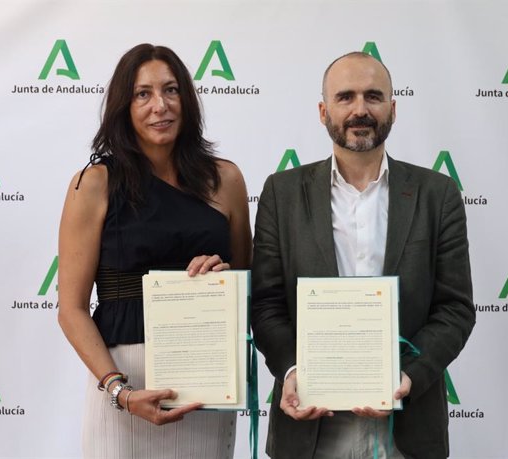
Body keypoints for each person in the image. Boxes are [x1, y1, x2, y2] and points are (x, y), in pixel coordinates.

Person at [251, 51, 475, 458]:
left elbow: (455, 308)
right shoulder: (281, 194)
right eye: (345, 97)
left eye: (373, 96)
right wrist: (292, 370)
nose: (360, 110)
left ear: (393, 107)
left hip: (407, 427)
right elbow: (266, 304)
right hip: (310, 427)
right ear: (323, 111)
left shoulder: (436, 195)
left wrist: (410, 376)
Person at [57, 44, 252, 459]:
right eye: (143, 94)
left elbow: (248, 287)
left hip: (205, 382)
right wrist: (119, 391)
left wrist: (224, 276)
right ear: (123, 106)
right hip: (126, 385)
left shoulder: (227, 179)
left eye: (171, 90)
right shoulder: (93, 183)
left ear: (187, 99)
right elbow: (70, 308)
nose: (159, 106)